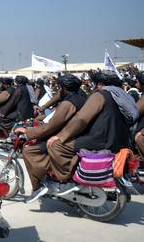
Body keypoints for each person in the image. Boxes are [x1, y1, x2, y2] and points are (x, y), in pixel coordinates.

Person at [43, 71, 137, 199]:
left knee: (56, 146)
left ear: (99, 84)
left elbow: (81, 119)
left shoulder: (101, 95)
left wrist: (61, 136)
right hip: (121, 139)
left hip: (101, 139)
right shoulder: (123, 95)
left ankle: (66, 181)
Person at [14, 74, 87, 202]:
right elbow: (56, 103)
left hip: (66, 137)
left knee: (29, 150)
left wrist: (28, 131)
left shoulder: (68, 104)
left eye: (60, 87)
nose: (59, 90)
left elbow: (50, 127)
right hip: (77, 134)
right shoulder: (81, 97)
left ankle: (38, 187)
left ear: (64, 88)